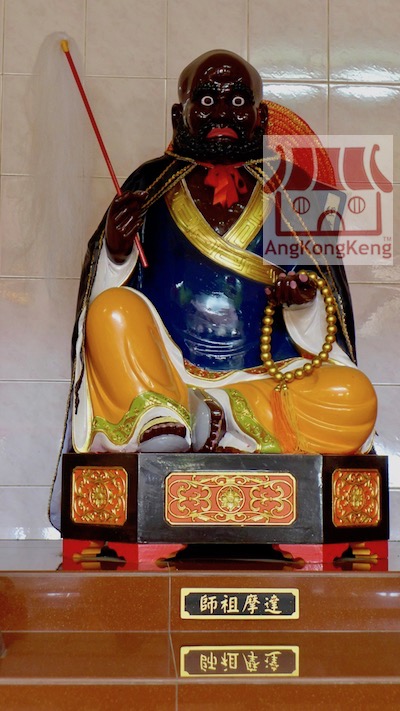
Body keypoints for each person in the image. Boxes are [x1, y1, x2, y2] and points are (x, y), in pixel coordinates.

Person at [51, 50, 377, 523]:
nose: (222, 112)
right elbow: (103, 297)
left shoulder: (296, 192)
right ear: (178, 115)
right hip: (166, 375)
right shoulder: (148, 184)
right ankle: (167, 415)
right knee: (111, 313)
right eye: (205, 100)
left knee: (353, 396)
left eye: (237, 101)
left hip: (267, 381)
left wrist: (302, 302)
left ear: (261, 117)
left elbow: (328, 313)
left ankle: (208, 421)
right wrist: (117, 251)